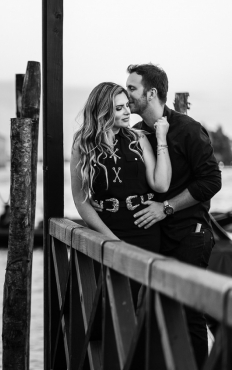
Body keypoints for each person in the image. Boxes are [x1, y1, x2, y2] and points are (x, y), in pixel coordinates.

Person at [125, 63, 222, 370]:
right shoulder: (135, 133)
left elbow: (211, 181)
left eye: (132, 88)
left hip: (189, 233)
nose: (126, 95)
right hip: (151, 237)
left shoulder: (189, 130)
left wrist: (165, 208)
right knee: (147, 311)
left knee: (190, 312)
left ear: (151, 93)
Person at [70, 82, 171, 254]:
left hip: (145, 229)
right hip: (106, 232)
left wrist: (161, 138)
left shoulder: (137, 138)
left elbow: (160, 184)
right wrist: (112, 241)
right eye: (119, 108)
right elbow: (81, 200)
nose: (127, 112)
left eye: (126, 106)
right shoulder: (84, 145)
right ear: (104, 111)